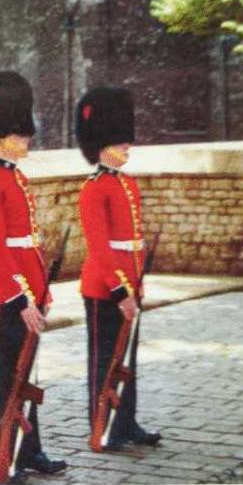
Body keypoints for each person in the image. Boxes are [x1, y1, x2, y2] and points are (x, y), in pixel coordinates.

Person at [0, 71, 66, 481]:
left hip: (29, 293)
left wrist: (40, 291)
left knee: (25, 375)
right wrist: (21, 298)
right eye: (19, 131)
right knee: (1, 376)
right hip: (6, 297)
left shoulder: (16, 177)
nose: (27, 137)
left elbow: (27, 244)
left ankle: (27, 450)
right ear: (1, 134)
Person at [75, 85, 161, 449]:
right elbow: (100, 247)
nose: (128, 145)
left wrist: (135, 285)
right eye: (120, 140)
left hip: (131, 283)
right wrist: (121, 289)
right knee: (105, 360)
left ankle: (126, 422)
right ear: (102, 144)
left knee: (127, 360)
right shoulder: (94, 189)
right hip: (104, 287)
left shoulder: (128, 185)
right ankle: (102, 425)